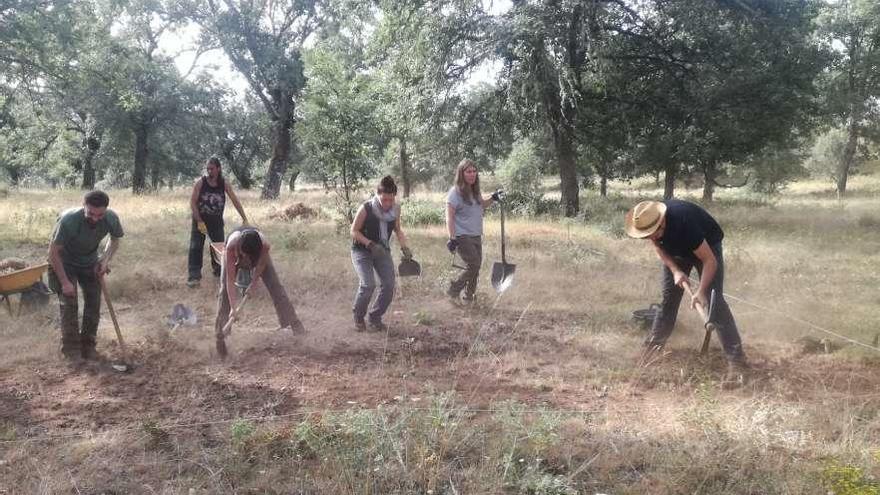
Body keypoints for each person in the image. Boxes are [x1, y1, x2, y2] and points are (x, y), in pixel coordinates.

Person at [624, 199, 748, 379]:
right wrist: (675, 270)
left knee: (716, 304)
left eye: (652, 233)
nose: (650, 238)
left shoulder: (685, 223)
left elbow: (709, 261)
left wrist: (702, 292)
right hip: (677, 251)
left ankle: (737, 361)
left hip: (706, 249)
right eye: (646, 235)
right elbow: (658, 246)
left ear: (662, 222)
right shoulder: (650, 223)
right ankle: (652, 348)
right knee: (668, 301)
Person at [47, 190, 123, 360]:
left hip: (89, 262)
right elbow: (53, 253)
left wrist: (104, 260)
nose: (95, 218)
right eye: (91, 214)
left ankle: (88, 346)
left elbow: (115, 239)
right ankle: (71, 351)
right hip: (63, 262)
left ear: (106, 210)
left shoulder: (111, 218)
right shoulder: (68, 220)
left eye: (100, 214)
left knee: (93, 303)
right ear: (84, 207)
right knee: (69, 304)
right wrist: (65, 282)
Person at [214, 227, 303, 357]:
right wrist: (233, 308)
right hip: (234, 253)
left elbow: (261, 265)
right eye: (246, 257)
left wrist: (253, 283)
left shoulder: (264, 246)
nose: (248, 261)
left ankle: (295, 325)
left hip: (256, 255)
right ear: (241, 251)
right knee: (224, 292)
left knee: (276, 286)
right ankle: (220, 334)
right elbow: (230, 281)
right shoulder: (231, 248)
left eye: (251, 258)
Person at [349, 176, 413, 332]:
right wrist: (369, 244)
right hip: (362, 251)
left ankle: (375, 317)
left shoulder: (396, 209)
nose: (387, 204)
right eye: (384, 200)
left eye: (390, 200)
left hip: (382, 250)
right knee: (368, 285)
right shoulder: (366, 208)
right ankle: (358, 316)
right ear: (378, 195)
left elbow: (397, 229)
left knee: (389, 285)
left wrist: (405, 248)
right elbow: (354, 231)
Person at [445, 159, 501, 303]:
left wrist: (493, 198)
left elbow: (482, 205)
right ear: (461, 174)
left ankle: (469, 297)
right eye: (468, 171)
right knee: (474, 265)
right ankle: (454, 289)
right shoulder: (455, 192)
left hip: (476, 234)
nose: (472, 174)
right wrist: (452, 238)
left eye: (474, 171)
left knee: (475, 268)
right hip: (462, 235)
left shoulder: (474, 191)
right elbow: (449, 217)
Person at [187, 157, 248, 288]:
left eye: (212, 168)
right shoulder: (200, 183)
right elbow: (192, 202)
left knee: (218, 248)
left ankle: (219, 272)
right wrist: (199, 221)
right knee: (196, 247)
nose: (209, 171)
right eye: (208, 168)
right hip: (200, 220)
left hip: (216, 221)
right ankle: (194, 277)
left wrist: (244, 217)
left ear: (218, 169)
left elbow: (234, 200)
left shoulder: (223, 183)